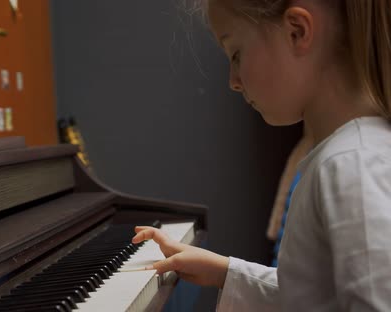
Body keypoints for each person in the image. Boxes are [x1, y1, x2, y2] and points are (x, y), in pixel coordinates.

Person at [132, 0, 391, 311]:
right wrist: (226, 272)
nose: (233, 81)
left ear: (297, 31)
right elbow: (314, 296)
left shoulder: (352, 164)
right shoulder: (342, 156)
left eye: (236, 54)